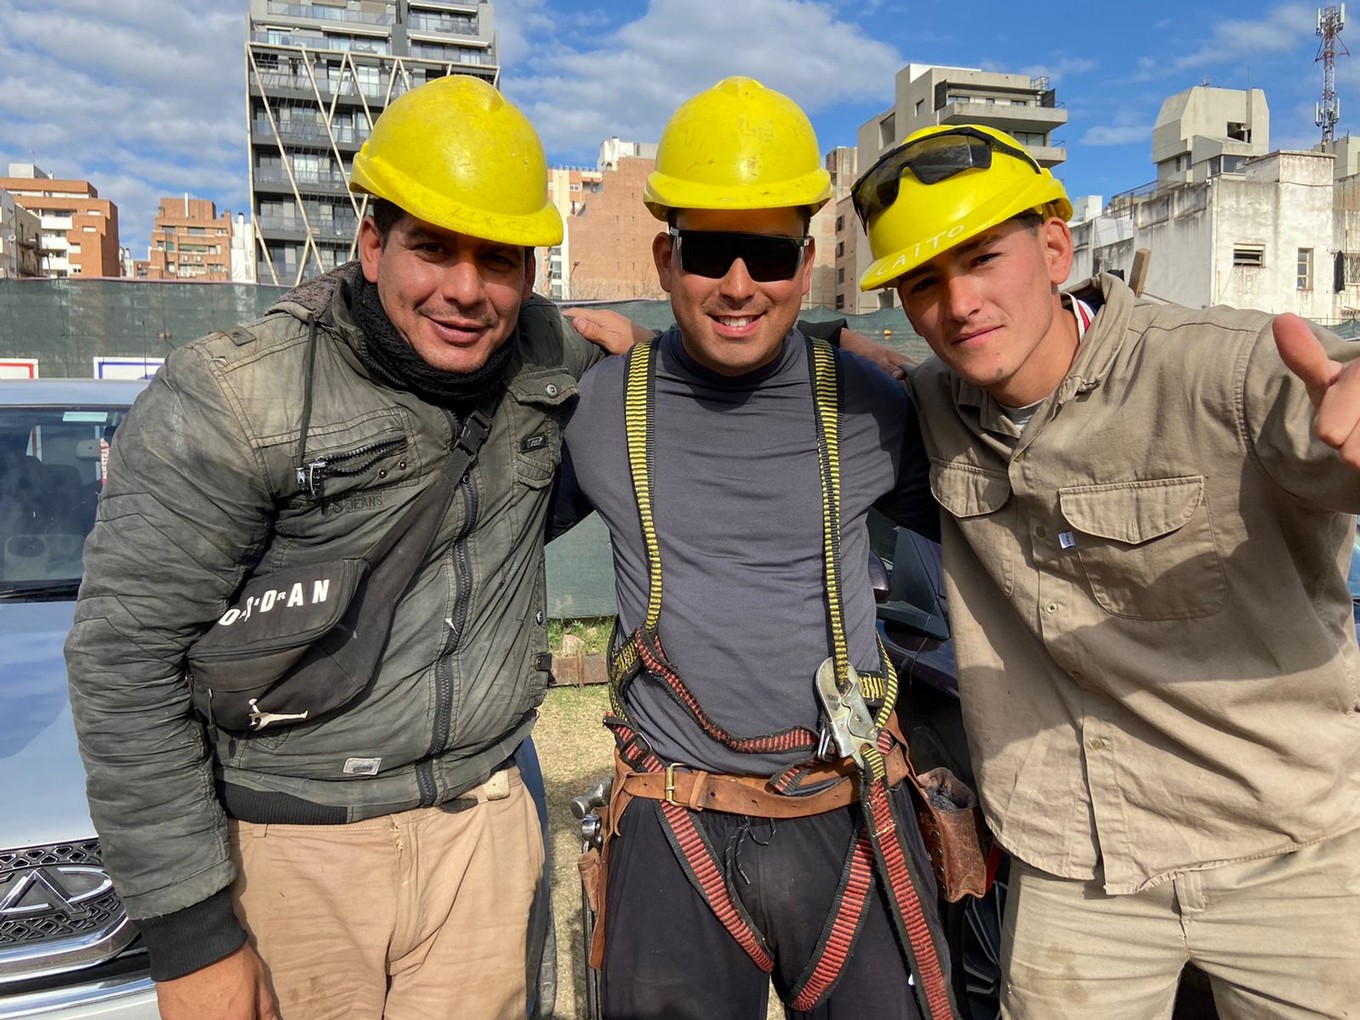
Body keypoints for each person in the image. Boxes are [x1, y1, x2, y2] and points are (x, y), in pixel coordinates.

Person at [64, 75, 629, 1020]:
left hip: (479, 832)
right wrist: (193, 938)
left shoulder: (544, 357)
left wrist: (841, 356)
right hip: (289, 847)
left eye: (498, 260)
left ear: (531, 275)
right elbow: (126, 663)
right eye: (432, 248)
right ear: (372, 245)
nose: (464, 288)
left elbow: (701, 351)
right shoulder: (238, 399)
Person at [854, 122, 1360, 1018]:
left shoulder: (1223, 371)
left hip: (1285, 852)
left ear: (1055, 246)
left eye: (982, 258)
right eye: (924, 281)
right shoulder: (936, 407)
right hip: (1073, 865)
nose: (959, 302)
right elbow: (832, 356)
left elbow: (1323, 415)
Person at [556, 77, 955, 1020]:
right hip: (671, 822)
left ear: (806, 262)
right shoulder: (599, 411)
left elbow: (1002, 494)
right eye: (711, 252)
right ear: (665, 258)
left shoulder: (876, 405)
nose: (740, 284)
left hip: (846, 810)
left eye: (768, 254)